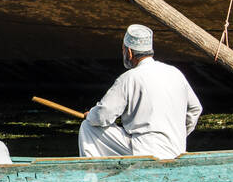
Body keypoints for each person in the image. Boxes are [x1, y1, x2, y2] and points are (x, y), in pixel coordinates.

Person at [78, 24, 202, 158]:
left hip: (144, 151)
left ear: (129, 52)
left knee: (88, 127)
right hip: (176, 151)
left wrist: (90, 115)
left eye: (123, 50)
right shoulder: (176, 73)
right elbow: (195, 109)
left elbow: (103, 114)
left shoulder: (129, 78)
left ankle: (92, 174)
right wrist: (179, 134)